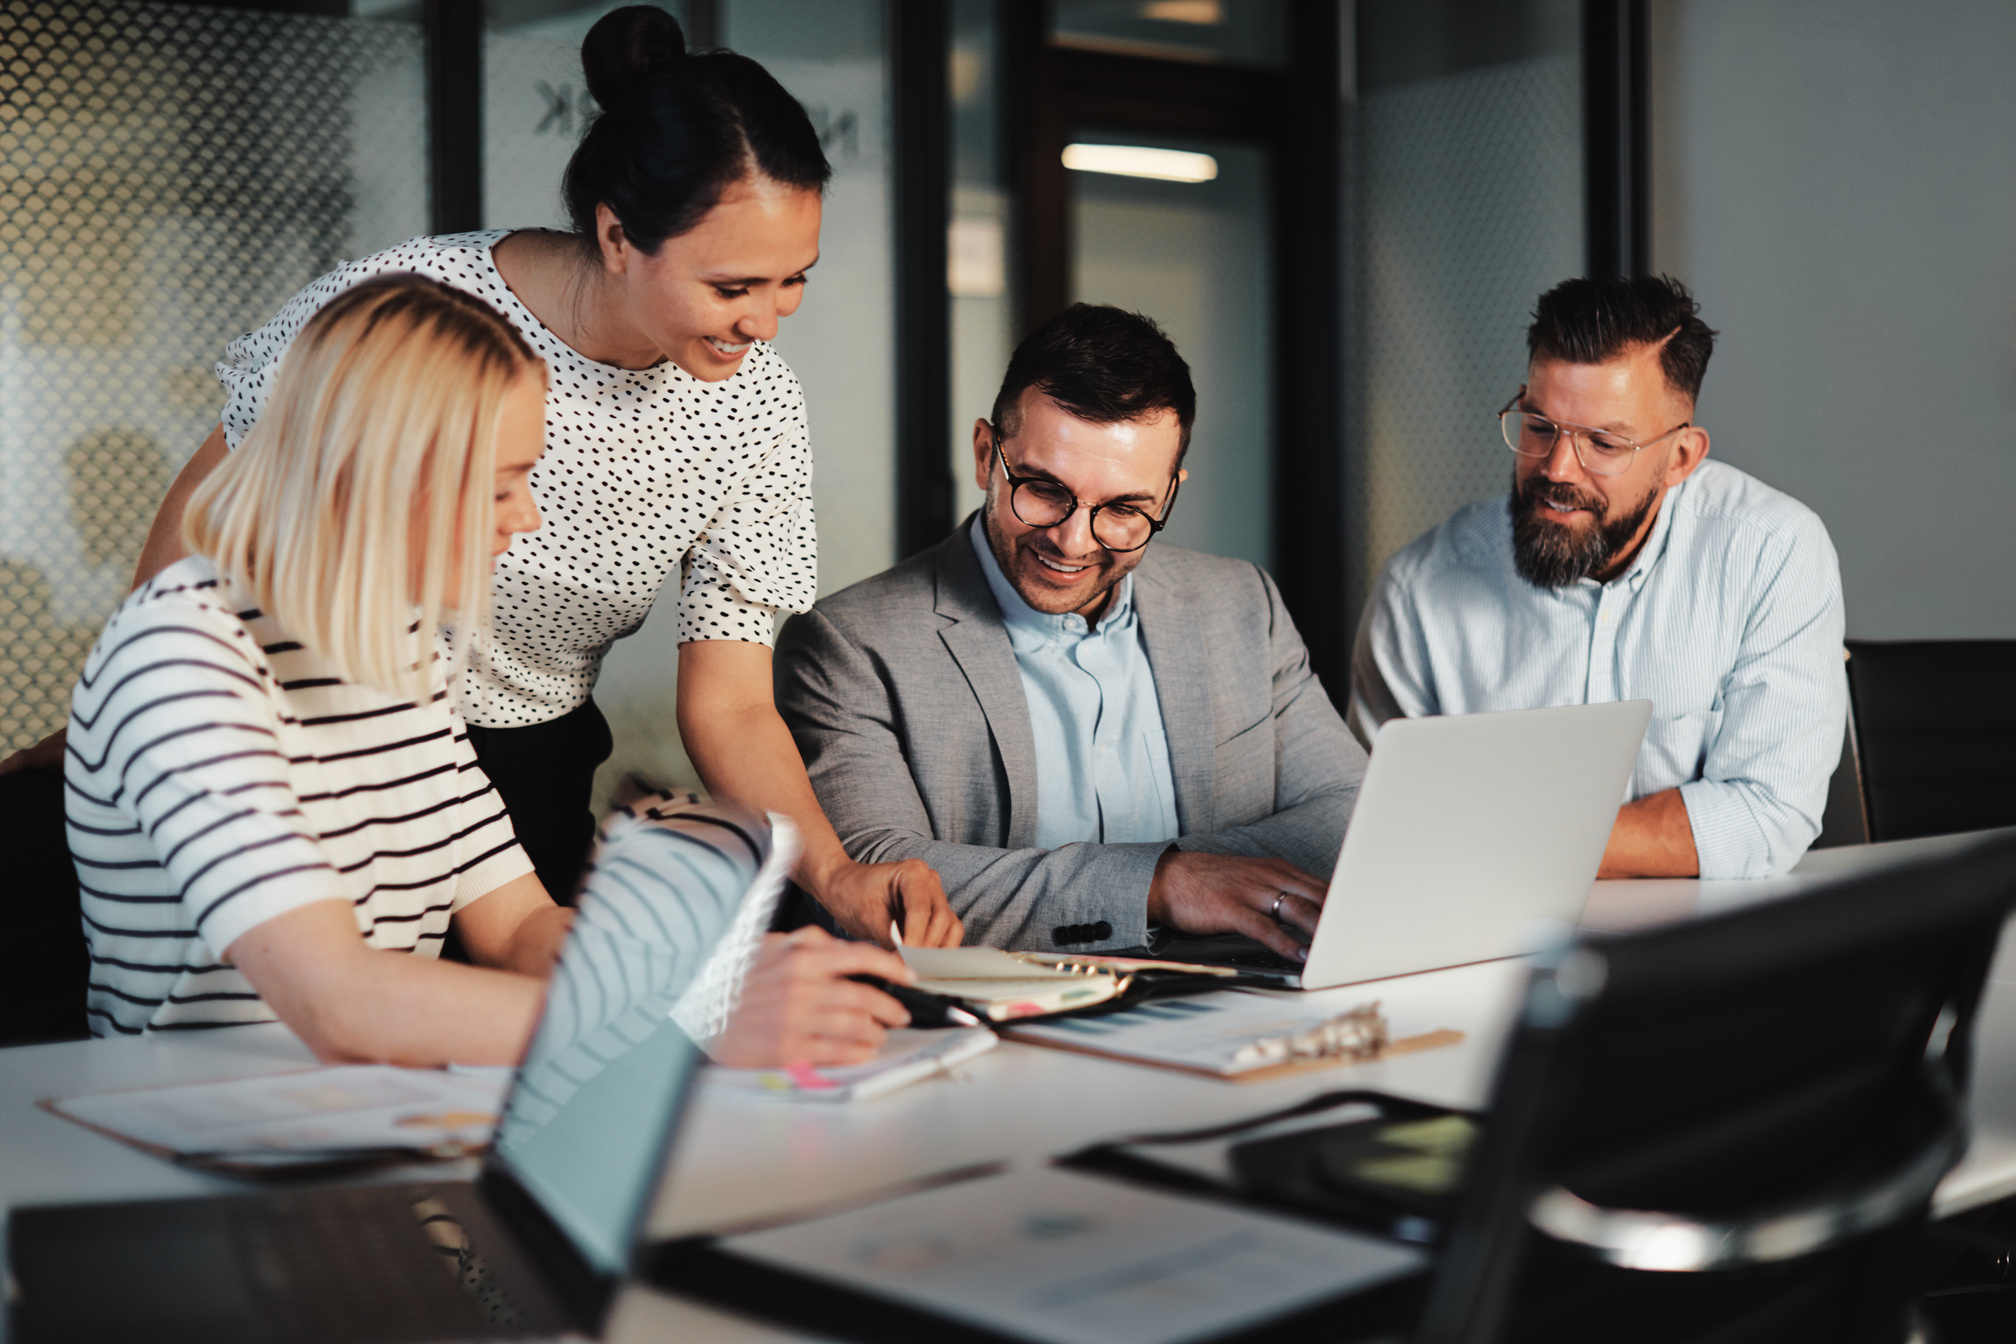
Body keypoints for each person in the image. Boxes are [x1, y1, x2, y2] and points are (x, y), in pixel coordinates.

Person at [13, 5, 960, 949]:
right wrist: (147, 713)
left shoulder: (754, 407)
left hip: (505, 769)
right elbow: (202, 542)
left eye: (794, 279)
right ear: (620, 236)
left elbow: (732, 696)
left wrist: (832, 876)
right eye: (732, 287)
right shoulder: (413, 316)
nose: (767, 320)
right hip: (306, 729)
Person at [66, 276, 916, 1068]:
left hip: (367, 1124)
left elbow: (516, 929)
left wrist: (716, 976)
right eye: (503, 482)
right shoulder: (185, 650)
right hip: (199, 1153)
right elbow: (336, 999)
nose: (527, 515)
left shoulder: (403, 651)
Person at [774, 305, 1366, 959]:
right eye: (1043, 489)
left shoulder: (1241, 607)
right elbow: (877, 887)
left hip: (1241, 1010)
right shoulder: (847, 644)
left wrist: (1157, 879)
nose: (1072, 540)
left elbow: (1350, 814)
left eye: (1123, 509)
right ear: (984, 457)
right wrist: (1160, 884)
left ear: (1168, 496)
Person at [1351, 275, 1846, 880]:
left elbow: (1769, 813)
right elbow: (1379, 831)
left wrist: (1515, 846)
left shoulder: (1773, 554)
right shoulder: (1419, 590)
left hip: (1708, 952)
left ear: (1681, 457)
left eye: (1604, 442)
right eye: (1538, 426)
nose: (1558, 468)